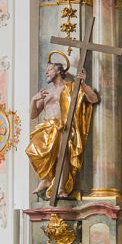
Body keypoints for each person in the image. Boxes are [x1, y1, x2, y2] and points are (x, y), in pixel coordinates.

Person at [26, 56, 98, 198]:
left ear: (59, 71)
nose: (46, 73)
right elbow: (33, 115)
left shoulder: (71, 87)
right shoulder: (47, 93)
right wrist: (34, 100)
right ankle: (46, 178)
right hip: (47, 127)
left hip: (63, 127)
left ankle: (59, 188)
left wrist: (82, 84)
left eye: (49, 70)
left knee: (62, 156)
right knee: (33, 149)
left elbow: (93, 99)